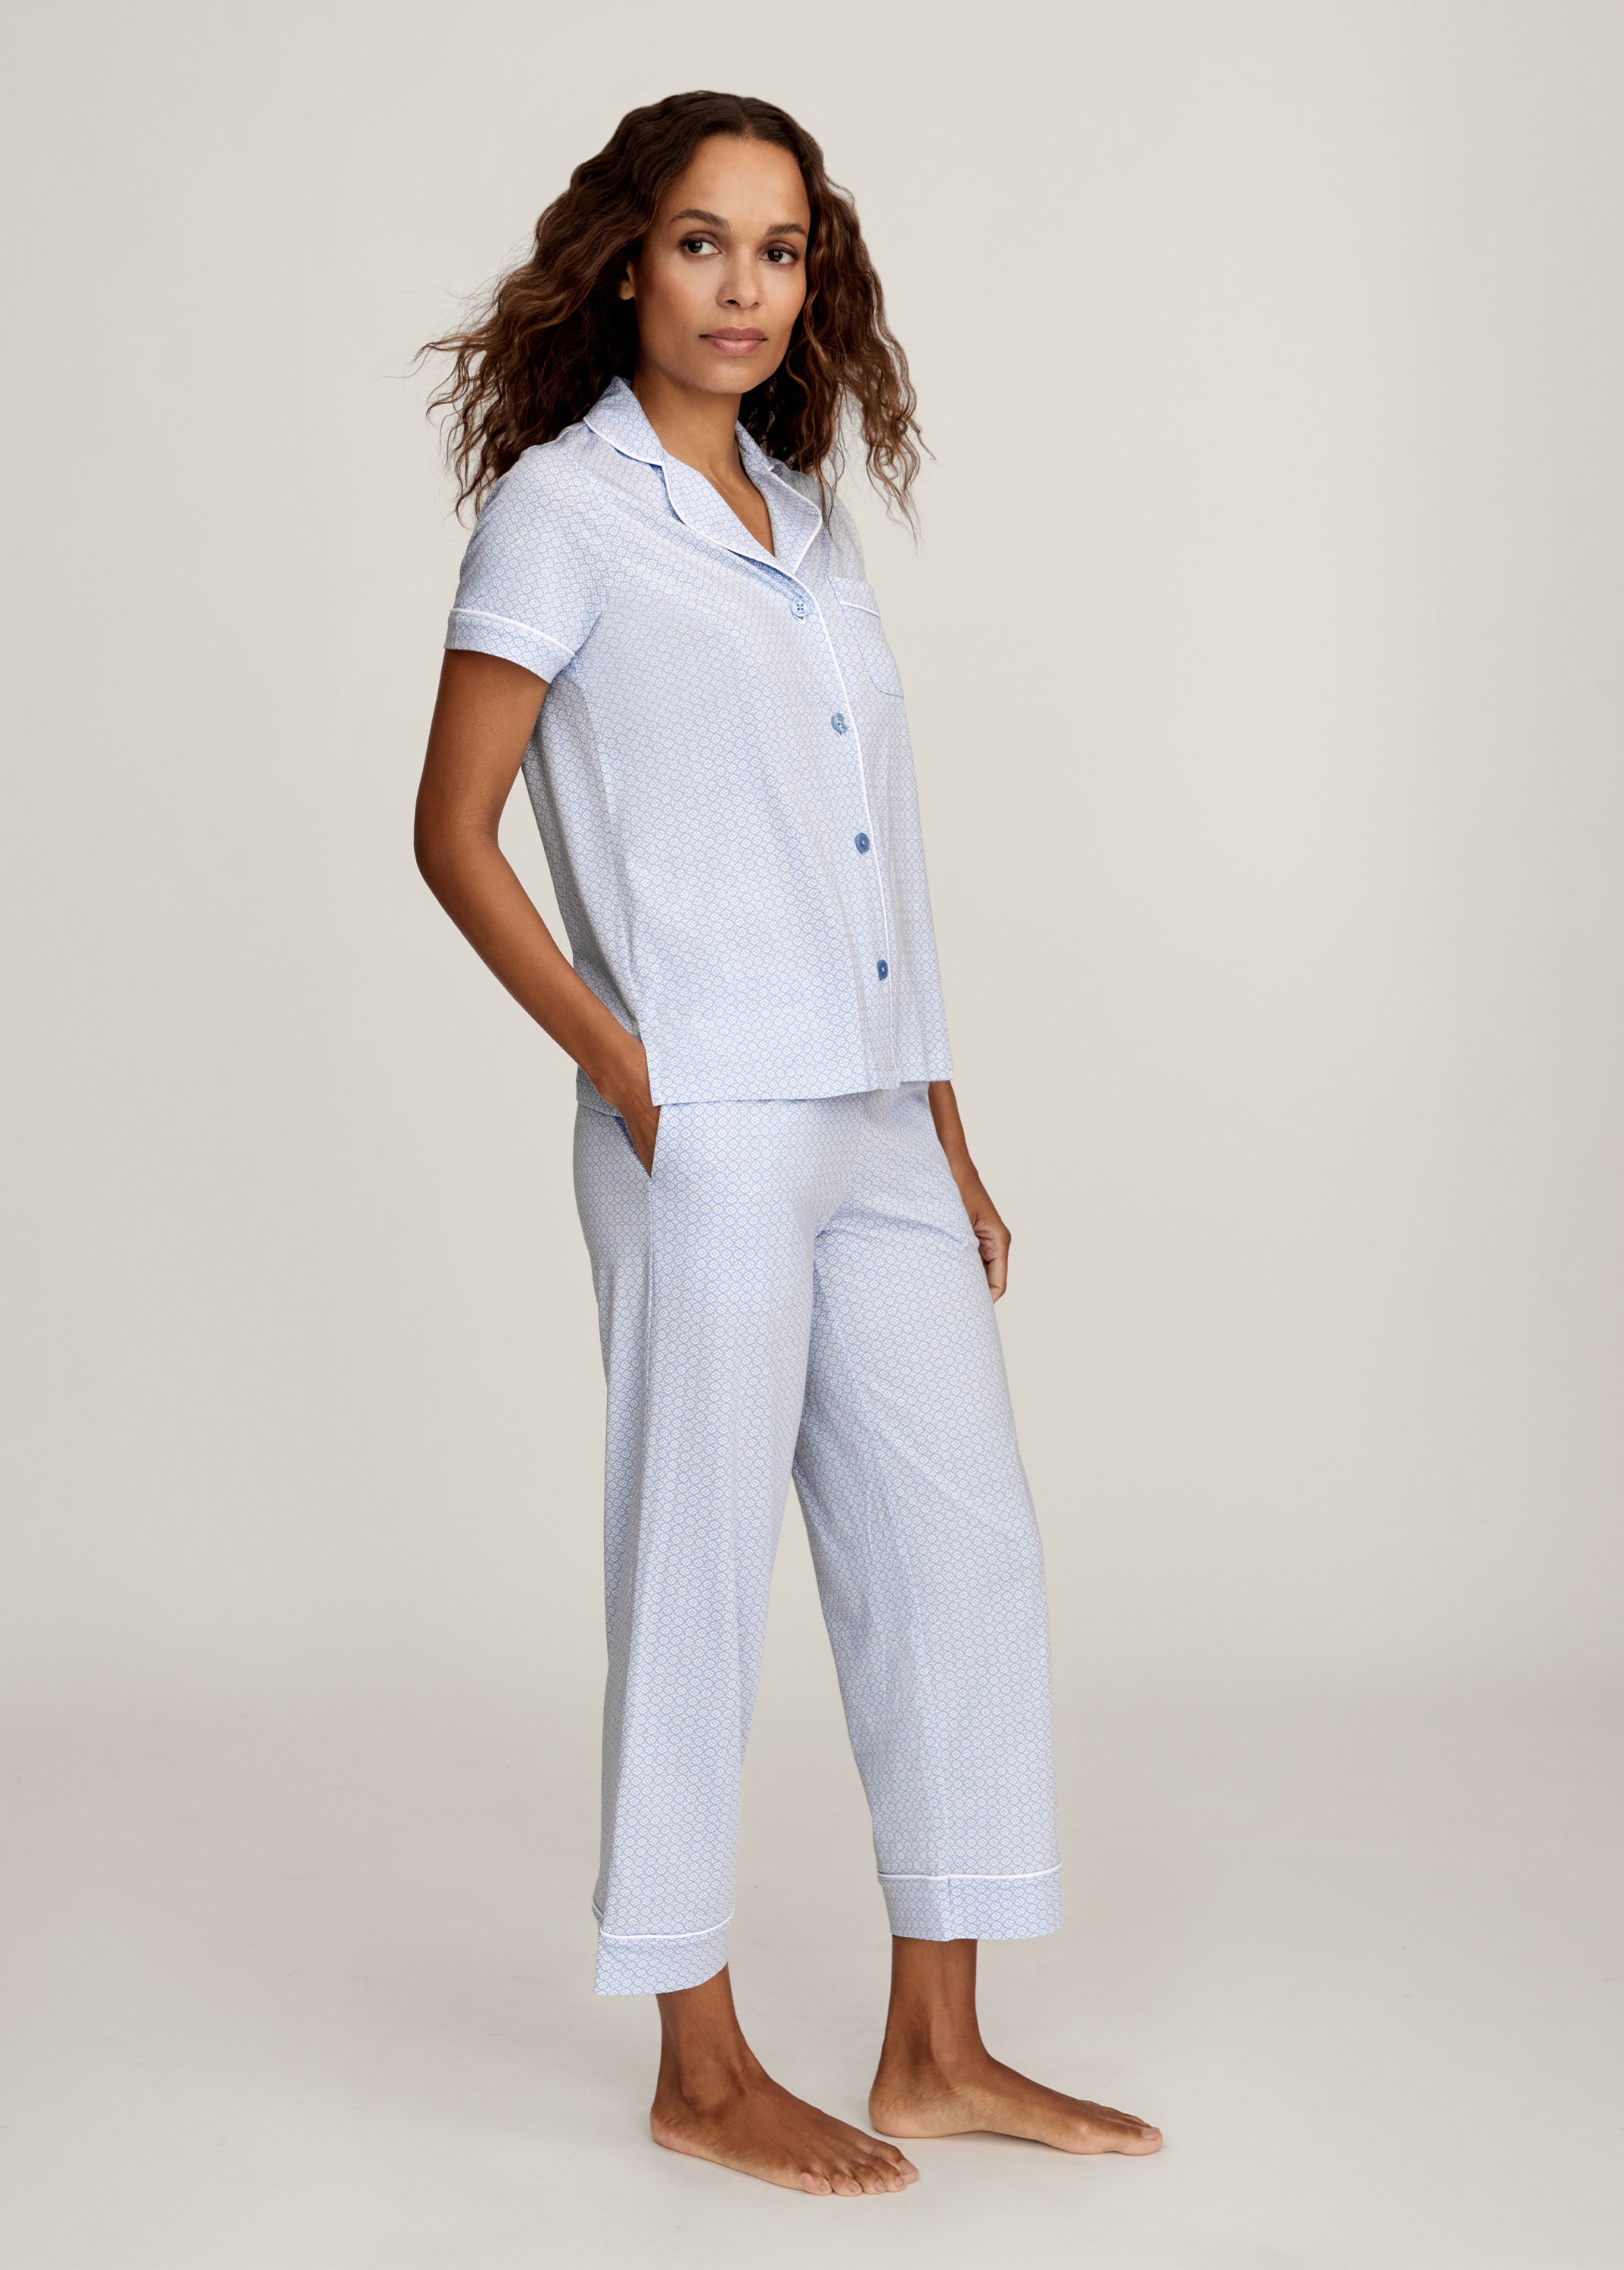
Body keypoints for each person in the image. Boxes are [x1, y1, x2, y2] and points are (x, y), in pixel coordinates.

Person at [415, 89, 1160, 2196]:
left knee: (963, 1554)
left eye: (781, 250)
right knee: (698, 1569)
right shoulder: (563, 516)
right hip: (711, 1119)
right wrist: (637, 1075)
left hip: (879, 1112)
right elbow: (452, 835)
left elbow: (869, 857)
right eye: (702, 244)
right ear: (623, 262)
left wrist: (947, 1119)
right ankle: (699, 2056)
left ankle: (940, 2046)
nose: (745, 288)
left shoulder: (803, 513)